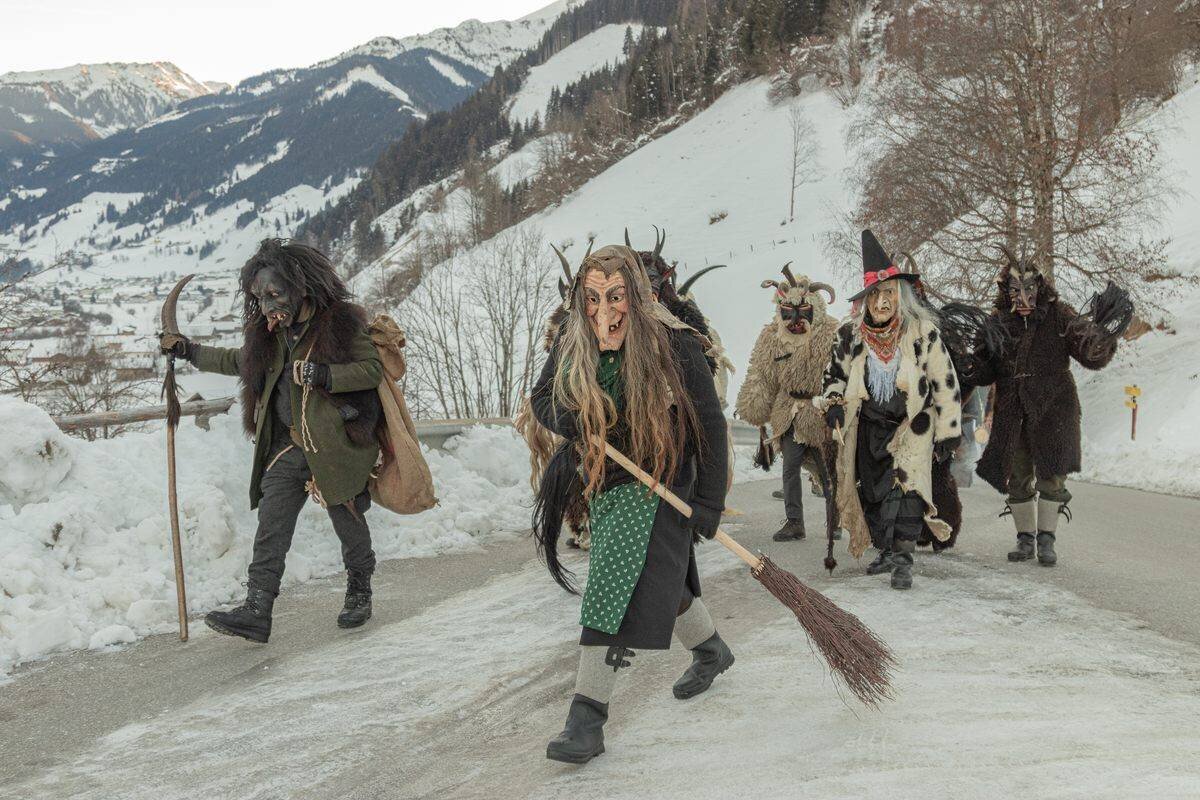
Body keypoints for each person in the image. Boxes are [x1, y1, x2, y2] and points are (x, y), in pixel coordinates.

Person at [530, 244, 730, 764]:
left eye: (615, 297)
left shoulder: (674, 345)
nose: (604, 312)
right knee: (658, 577)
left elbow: (710, 424)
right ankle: (711, 651)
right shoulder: (575, 341)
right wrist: (569, 419)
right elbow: (542, 397)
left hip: (665, 477)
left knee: (611, 582)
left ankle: (586, 720)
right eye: (592, 298)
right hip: (608, 480)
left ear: (636, 296)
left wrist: (709, 501)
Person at [159, 238, 383, 642]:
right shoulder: (269, 335)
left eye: (274, 294)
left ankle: (359, 590)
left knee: (347, 520)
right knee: (271, 527)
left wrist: (324, 375)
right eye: (259, 298)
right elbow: (237, 362)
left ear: (300, 287)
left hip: (335, 447)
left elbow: (370, 371)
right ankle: (257, 610)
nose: (266, 306)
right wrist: (189, 350)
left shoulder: (341, 322)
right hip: (288, 446)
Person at [817, 230, 962, 590]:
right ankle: (884, 549)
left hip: (911, 425)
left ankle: (904, 560)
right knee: (873, 494)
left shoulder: (922, 332)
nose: (881, 302)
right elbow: (833, 376)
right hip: (867, 427)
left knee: (909, 491)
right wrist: (833, 404)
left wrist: (948, 432)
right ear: (865, 300)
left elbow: (945, 382)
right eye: (874, 295)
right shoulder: (848, 335)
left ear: (902, 296)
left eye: (888, 294)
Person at [974, 245, 1132, 566]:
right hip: (1013, 410)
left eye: (1029, 290)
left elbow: (1088, 352)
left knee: (1052, 474)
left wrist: (1100, 337)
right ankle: (1025, 539)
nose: (1024, 299)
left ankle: (1047, 539)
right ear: (1007, 291)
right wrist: (971, 362)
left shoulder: (1060, 315)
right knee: (1017, 476)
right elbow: (983, 366)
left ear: (1040, 288)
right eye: (1016, 291)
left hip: (1054, 408)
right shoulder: (997, 323)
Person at [735, 263, 840, 541]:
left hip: (820, 412)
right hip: (788, 411)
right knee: (790, 466)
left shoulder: (831, 334)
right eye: (788, 312)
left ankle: (836, 520)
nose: (795, 320)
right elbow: (762, 373)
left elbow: (843, 371)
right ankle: (795, 522)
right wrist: (754, 403)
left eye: (803, 313)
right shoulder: (772, 337)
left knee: (827, 468)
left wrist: (837, 404)